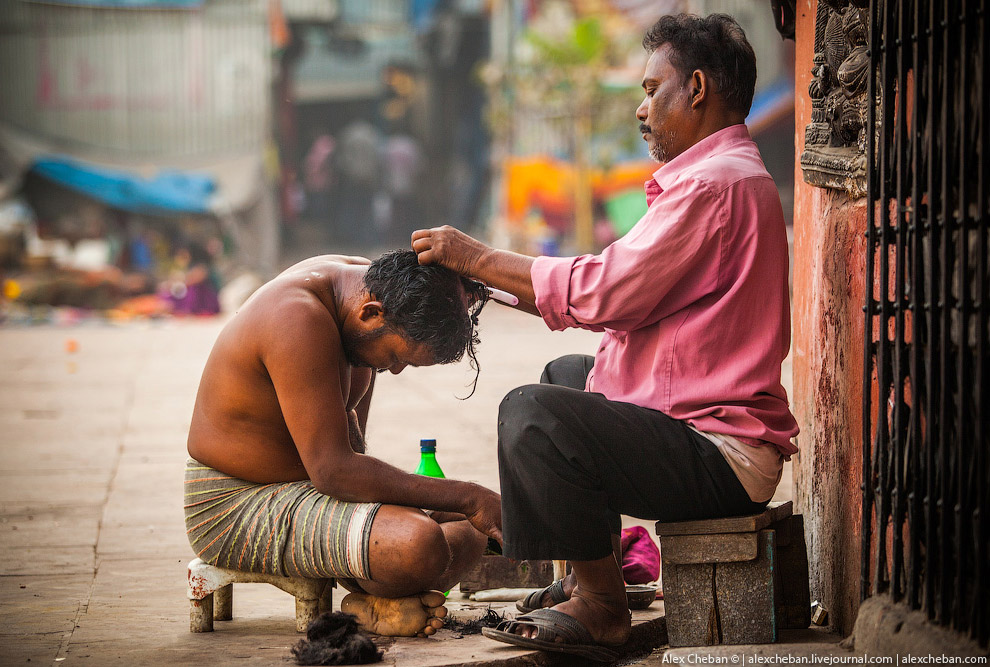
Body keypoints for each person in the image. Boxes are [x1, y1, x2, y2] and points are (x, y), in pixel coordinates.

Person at [411, 13, 799, 661]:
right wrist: (490, 284)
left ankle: (602, 605)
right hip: (704, 428)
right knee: (567, 375)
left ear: (697, 88)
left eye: (653, 90)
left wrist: (477, 257)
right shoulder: (723, 174)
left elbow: (602, 291)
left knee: (531, 414)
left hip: (720, 453)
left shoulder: (711, 185)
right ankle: (587, 573)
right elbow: (608, 300)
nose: (642, 111)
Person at [184, 250, 501, 637]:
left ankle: (380, 600)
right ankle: (382, 592)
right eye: (397, 357)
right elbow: (334, 470)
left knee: (470, 530)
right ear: (371, 313)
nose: (395, 370)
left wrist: (455, 506)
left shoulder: (361, 293)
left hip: (309, 488)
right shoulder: (297, 317)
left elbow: (352, 457)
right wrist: (468, 496)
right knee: (421, 543)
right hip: (233, 503)